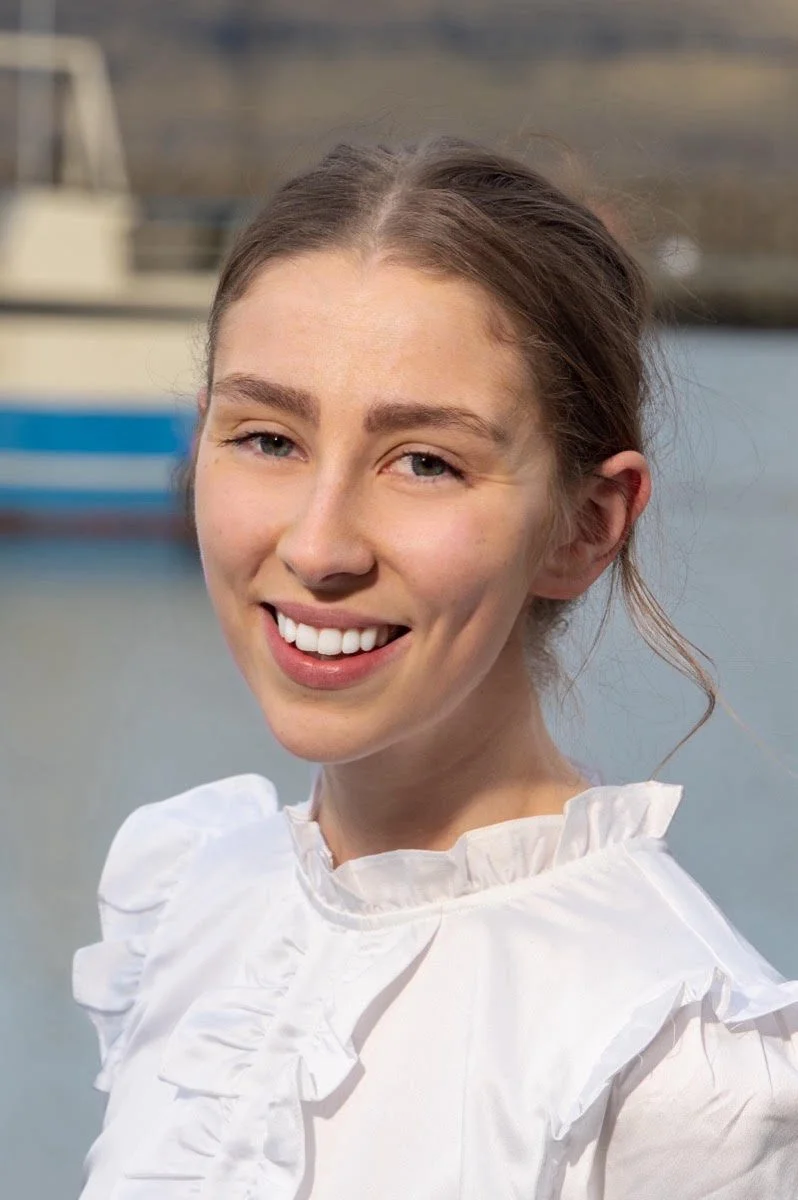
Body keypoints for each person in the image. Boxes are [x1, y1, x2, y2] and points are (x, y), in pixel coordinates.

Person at [73, 139, 798, 1199]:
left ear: (585, 527)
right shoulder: (188, 901)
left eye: (425, 462)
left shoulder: (671, 1064)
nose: (318, 546)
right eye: (267, 439)